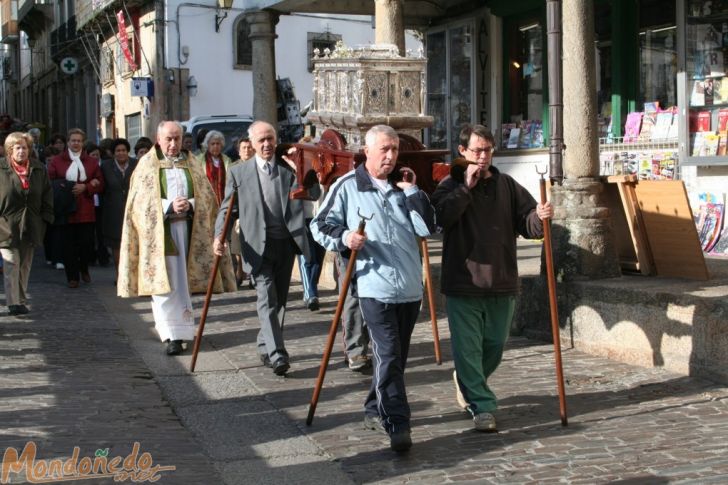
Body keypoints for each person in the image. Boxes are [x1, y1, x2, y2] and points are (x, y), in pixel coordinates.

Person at [311, 124, 435, 453]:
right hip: (372, 285)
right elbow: (319, 224)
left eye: (395, 149)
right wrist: (345, 238)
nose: (391, 156)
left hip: (409, 286)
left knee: (393, 359)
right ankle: (397, 421)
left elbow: (428, 228)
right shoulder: (348, 186)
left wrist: (411, 194)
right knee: (389, 352)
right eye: (385, 150)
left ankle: (372, 407)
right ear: (368, 151)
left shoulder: (406, 186)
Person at [430, 124, 553, 432]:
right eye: (477, 150)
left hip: (501, 278)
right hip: (464, 282)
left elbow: (527, 224)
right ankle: (481, 405)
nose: (483, 157)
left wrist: (540, 215)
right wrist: (464, 189)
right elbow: (441, 218)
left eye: (487, 150)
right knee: (468, 348)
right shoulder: (449, 184)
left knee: (494, 345)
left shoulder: (507, 186)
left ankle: (467, 381)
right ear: (462, 152)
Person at [118, 121, 235, 356]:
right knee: (163, 284)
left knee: (182, 283)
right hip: (161, 233)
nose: (173, 144)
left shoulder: (191, 163)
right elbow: (138, 205)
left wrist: (190, 205)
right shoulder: (147, 165)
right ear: (158, 139)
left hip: (188, 230)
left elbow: (207, 199)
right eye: (168, 139)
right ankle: (170, 333)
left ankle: (182, 330)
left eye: (177, 139)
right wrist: (169, 206)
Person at [213, 121, 319, 376]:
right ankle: (277, 353)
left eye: (270, 138)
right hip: (257, 245)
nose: (267, 144)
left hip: (286, 242)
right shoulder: (240, 173)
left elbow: (313, 194)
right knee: (266, 298)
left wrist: (303, 171)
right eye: (261, 140)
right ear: (251, 144)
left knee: (280, 300)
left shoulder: (288, 167)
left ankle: (265, 343)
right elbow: (228, 208)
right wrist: (220, 236)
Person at [0, 132, 53, 315]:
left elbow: (47, 194)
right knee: (11, 262)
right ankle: (13, 302)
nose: (22, 151)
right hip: (6, 224)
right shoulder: (1, 168)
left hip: (31, 224)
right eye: (18, 148)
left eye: (25, 147)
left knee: (24, 265)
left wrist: (46, 218)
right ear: (10, 150)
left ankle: (21, 299)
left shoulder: (38, 169)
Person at [47, 128, 104, 288]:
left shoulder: (91, 162)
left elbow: (100, 182)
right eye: (73, 140)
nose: (76, 143)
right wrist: (66, 187)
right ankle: (72, 276)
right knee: (68, 245)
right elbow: (50, 182)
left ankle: (83, 267)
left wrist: (86, 187)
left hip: (86, 209)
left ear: (83, 142)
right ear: (68, 142)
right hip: (65, 209)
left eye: (79, 140)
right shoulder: (58, 161)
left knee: (86, 243)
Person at [100, 138, 137, 276]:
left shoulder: (136, 164)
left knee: (132, 244)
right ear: (113, 153)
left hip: (132, 209)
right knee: (116, 245)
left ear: (128, 152)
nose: (121, 153)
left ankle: (132, 275)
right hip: (113, 210)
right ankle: (119, 275)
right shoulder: (106, 166)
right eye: (118, 151)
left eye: (123, 150)